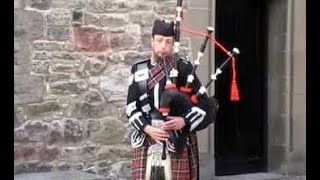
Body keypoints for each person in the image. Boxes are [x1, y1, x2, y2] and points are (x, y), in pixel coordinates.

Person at [126, 19, 213, 180]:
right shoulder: (139, 70)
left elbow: (204, 104)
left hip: (177, 140)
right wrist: (147, 128)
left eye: (168, 42)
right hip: (147, 140)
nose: (163, 46)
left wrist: (184, 120)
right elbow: (131, 107)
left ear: (173, 44)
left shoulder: (184, 68)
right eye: (159, 41)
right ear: (152, 41)